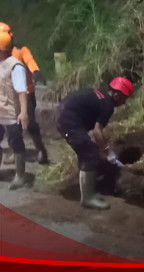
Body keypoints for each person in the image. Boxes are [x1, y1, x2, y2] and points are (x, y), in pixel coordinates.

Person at [55, 77, 134, 209]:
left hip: (64, 115)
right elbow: (97, 132)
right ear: (117, 95)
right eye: (124, 98)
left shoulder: (101, 95)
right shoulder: (108, 105)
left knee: (87, 151)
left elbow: (96, 130)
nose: (124, 102)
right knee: (90, 156)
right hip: (69, 120)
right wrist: (107, 151)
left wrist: (102, 146)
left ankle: (88, 193)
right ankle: (87, 198)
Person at [0, 22, 49, 164]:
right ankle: (15, 152)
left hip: (26, 94)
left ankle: (41, 150)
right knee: (11, 126)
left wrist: (36, 72)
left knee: (30, 123)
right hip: (8, 96)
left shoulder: (20, 50)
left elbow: (30, 61)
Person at [0, 31, 29, 190]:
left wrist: (23, 112)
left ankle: (20, 176)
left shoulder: (15, 66)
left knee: (16, 143)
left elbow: (21, 91)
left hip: (11, 114)